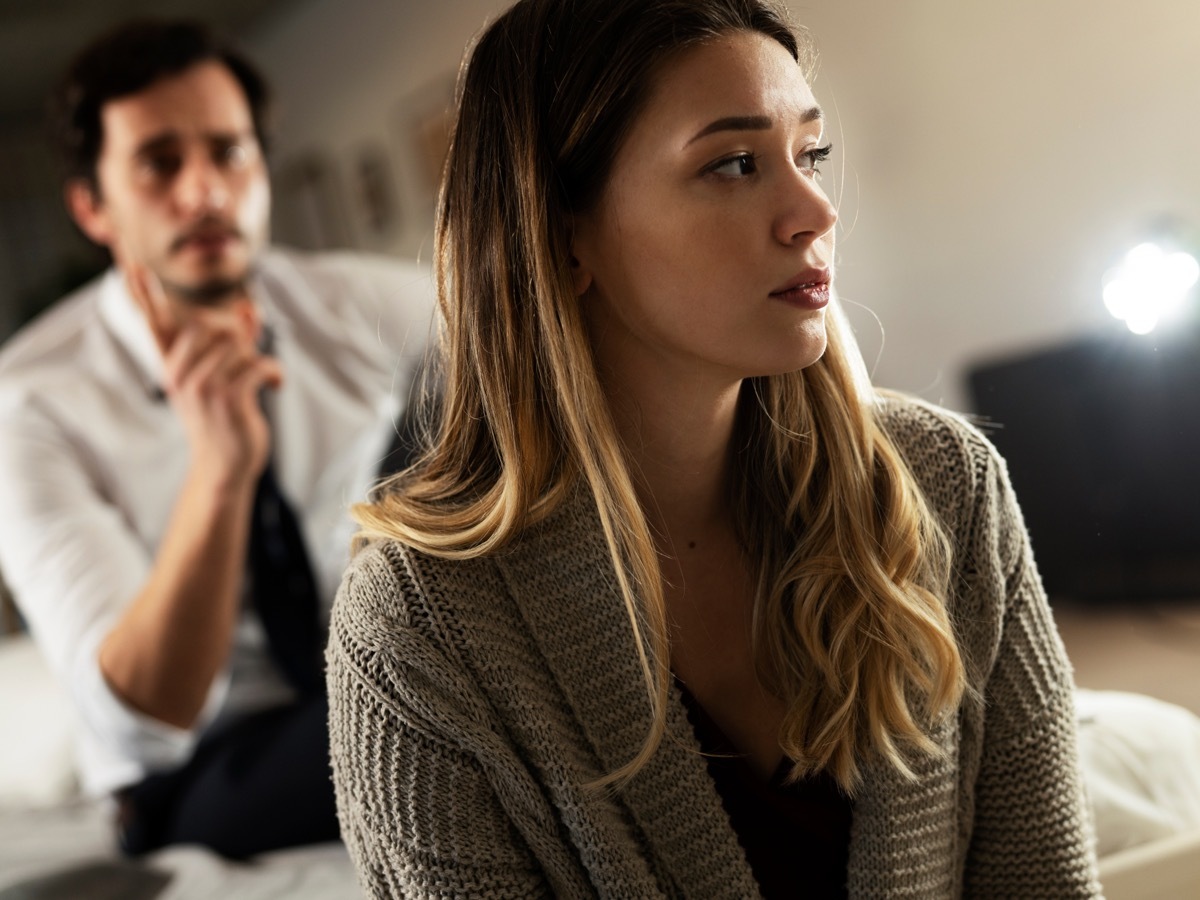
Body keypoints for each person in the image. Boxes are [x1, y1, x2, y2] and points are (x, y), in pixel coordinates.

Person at [325, 0, 1102, 896]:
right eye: (733, 164)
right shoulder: (419, 631)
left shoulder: (946, 485)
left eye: (809, 154)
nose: (814, 210)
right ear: (563, 234)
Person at [0, 20, 433, 859]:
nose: (205, 192)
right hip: (196, 767)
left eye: (229, 152)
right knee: (451, 717)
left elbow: (534, 338)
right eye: (161, 162)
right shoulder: (29, 406)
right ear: (93, 206)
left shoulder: (354, 308)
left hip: (372, 686)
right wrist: (221, 474)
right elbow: (148, 716)